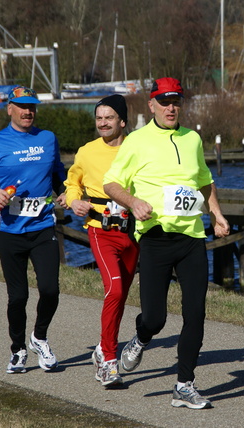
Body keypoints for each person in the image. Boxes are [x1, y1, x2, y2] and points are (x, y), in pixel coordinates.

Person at [102, 77, 230, 409]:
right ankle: (140, 338)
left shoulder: (193, 139)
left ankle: (184, 384)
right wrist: (133, 203)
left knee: (196, 313)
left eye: (176, 101)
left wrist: (216, 215)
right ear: (152, 105)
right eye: (165, 101)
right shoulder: (136, 141)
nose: (171, 107)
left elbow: (204, 182)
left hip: (190, 237)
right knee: (155, 318)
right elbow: (111, 183)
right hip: (155, 238)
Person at [0, 85, 67, 374]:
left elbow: (59, 173)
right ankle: (18, 350)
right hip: (9, 230)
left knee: (50, 289)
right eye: (21, 106)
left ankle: (40, 338)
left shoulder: (48, 139)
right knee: (18, 296)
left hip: (43, 225)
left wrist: (67, 191)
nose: (28, 111)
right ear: (9, 108)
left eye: (32, 106)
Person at [60, 94, 139, 388]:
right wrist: (74, 200)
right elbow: (72, 183)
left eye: (108, 118)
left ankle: (102, 347)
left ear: (122, 120)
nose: (103, 123)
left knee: (119, 298)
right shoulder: (87, 151)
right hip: (100, 228)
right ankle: (108, 361)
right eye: (98, 118)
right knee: (115, 290)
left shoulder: (138, 147)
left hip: (134, 232)